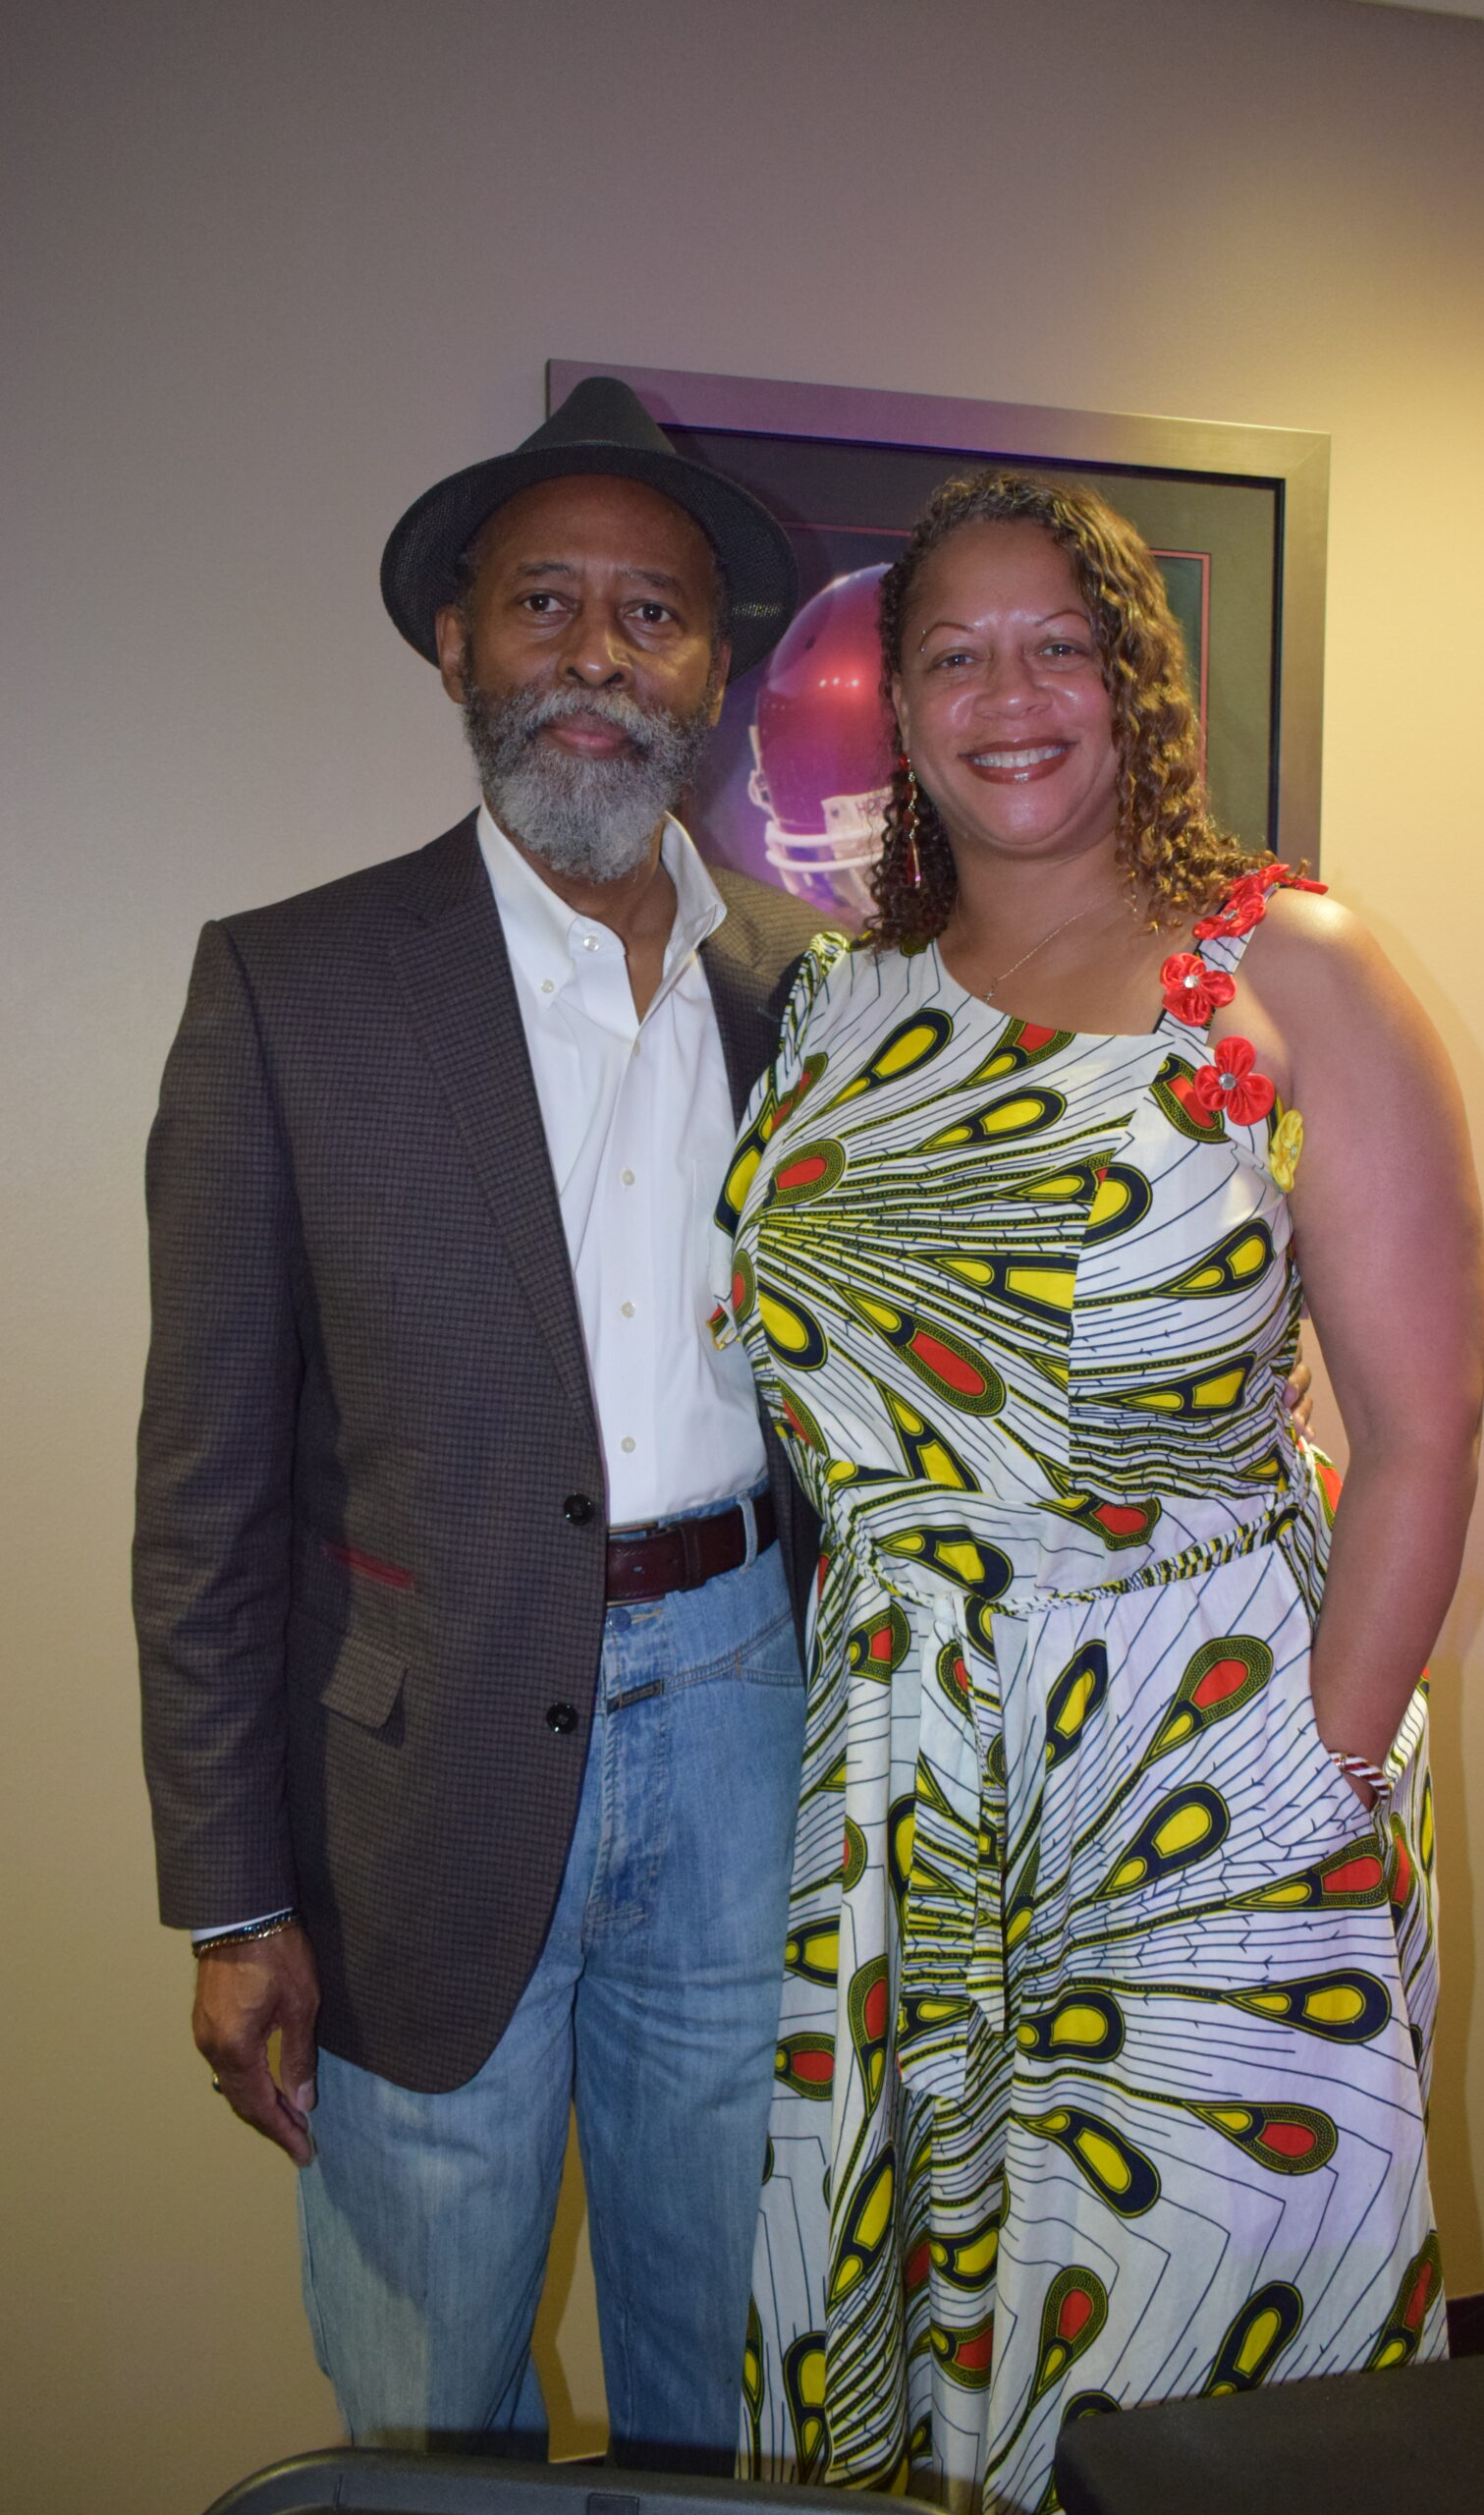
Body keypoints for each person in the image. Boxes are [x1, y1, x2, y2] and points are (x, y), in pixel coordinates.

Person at [711, 471, 1484, 2510]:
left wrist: (1316, 1781)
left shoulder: (1288, 968)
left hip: (1205, 1760)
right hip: (902, 1767)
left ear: (1134, 677)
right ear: (899, 710)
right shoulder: (838, 999)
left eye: (1056, 642)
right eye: (954, 654)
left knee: (1203, 2321)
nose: (1008, 693)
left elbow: (1423, 1429)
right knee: (935, 2315)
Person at [133, 376, 830, 2464]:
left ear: (712, 670)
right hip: (414, 1765)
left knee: (741, 2344)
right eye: (545, 604)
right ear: (457, 645)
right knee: (429, 2387)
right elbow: (206, 1492)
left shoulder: (822, 994)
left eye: (652, 614)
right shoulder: (291, 986)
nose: (597, 656)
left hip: (755, 1711)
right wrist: (229, 1895)